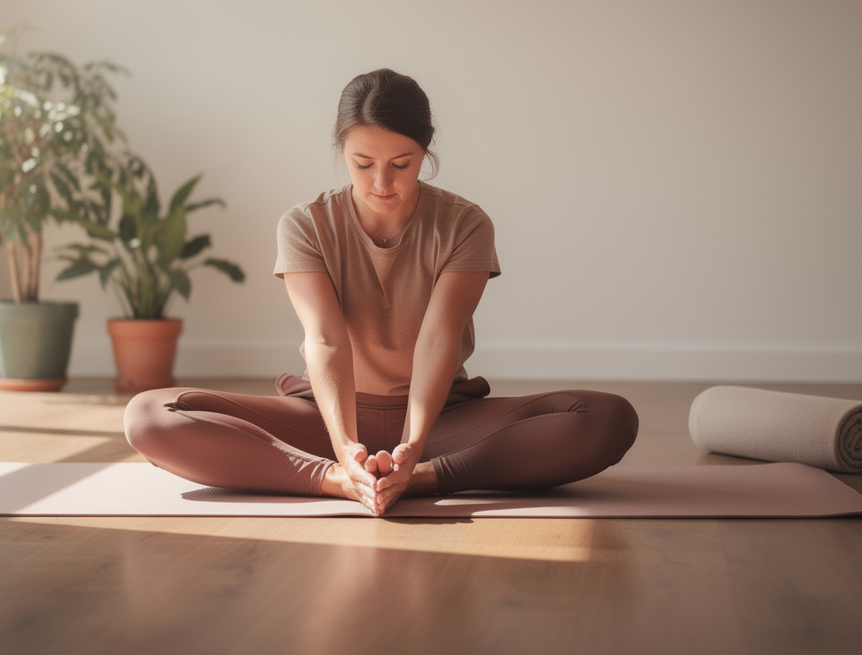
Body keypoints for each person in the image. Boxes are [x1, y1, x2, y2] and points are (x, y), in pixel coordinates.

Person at [124, 68, 638, 516]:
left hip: (440, 419)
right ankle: (336, 480)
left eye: (402, 163)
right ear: (341, 151)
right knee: (149, 416)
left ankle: (422, 478)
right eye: (363, 163)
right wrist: (344, 450)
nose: (382, 182)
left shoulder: (465, 224)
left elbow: (439, 340)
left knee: (607, 418)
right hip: (326, 419)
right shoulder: (305, 225)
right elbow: (325, 340)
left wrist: (412, 448)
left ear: (425, 151)